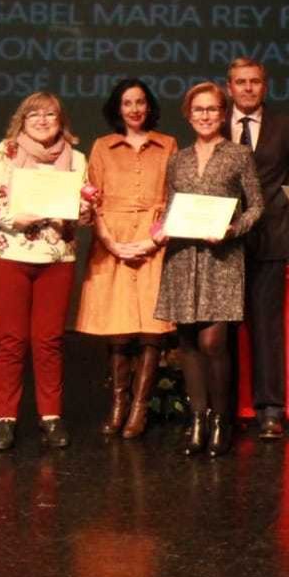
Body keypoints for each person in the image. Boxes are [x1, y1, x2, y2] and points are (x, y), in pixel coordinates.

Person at [0, 92, 93, 451]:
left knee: (49, 341)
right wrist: (12, 216)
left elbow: (83, 212)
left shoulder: (76, 158)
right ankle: (5, 419)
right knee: (11, 340)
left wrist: (87, 210)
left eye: (50, 115)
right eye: (34, 114)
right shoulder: (6, 152)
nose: (42, 120)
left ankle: (51, 417)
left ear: (61, 120)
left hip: (56, 258)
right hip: (7, 255)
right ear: (22, 120)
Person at [153, 81, 264, 459]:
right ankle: (197, 420)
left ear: (223, 113)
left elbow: (256, 207)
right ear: (188, 114)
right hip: (183, 258)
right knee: (187, 345)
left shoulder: (238, 155)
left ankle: (221, 420)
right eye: (198, 110)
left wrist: (232, 230)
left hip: (222, 259)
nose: (205, 116)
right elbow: (171, 206)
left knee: (212, 343)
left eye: (212, 109)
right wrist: (161, 227)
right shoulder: (178, 159)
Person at [75, 78, 177, 439]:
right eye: (127, 103)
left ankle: (139, 409)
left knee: (152, 331)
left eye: (140, 102)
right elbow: (93, 200)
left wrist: (153, 242)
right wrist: (112, 243)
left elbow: (173, 199)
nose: (134, 109)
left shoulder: (168, 145)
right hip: (112, 241)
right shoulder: (102, 147)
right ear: (117, 109)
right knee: (117, 330)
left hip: (154, 239)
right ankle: (117, 405)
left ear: (149, 106)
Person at [225, 57, 289, 441]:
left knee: (267, 328)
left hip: (270, 239)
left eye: (255, 81)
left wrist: (287, 218)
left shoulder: (286, 127)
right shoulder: (214, 125)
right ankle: (222, 408)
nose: (248, 88)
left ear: (264, 87)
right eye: (241, 82)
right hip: (221, 241)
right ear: (230, 88)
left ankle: (270, 409)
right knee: (221, 330)